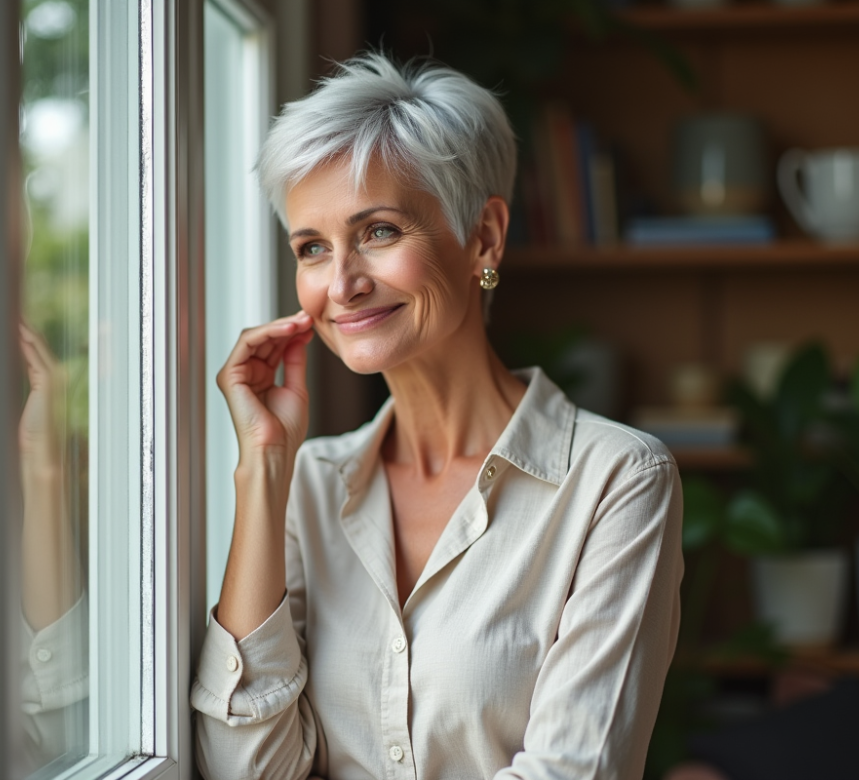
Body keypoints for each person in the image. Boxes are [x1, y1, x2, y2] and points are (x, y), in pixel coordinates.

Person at [191, 53, 684, 780]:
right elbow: (246, 770)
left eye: (380, 232)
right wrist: (263, 467)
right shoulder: (310, 485)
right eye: (312, 248)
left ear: (484, 236)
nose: (342, 284)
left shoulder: (617, 481)